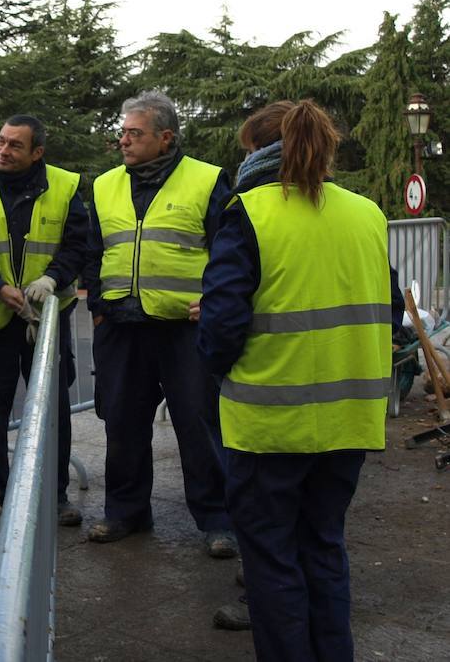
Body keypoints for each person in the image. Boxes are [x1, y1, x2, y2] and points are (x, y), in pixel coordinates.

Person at [198, 99, 401, 660]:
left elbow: (221, 328)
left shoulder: (249, 212)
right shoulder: (366, 213)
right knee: (324, 548)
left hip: (270, 425)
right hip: (350, 422)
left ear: (259, 152)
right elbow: (391, 310)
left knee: (271, 560)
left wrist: (217, 364)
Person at [83, 90, 235, 555]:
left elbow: (228, 250)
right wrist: (98, 307)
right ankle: (125, 512)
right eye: (122, 133)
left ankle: (217, 520)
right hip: (121, 324)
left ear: (165, 138)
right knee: (122, 424)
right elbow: (92, 249)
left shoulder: (207, 180)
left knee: (198, 422)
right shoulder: (104, 185)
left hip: (184, 327)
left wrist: (214, 300)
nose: (124, 141)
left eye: (135, 133)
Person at [0, 114, 88, 529]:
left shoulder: (65, 186)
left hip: (46, 319)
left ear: (37, 152)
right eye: (1, 141)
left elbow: (78, 244)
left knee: (52, 410)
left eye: (15, 145)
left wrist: (53, 278)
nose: (3, 151)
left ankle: (55, 495)